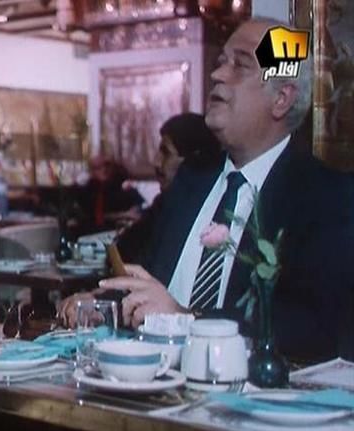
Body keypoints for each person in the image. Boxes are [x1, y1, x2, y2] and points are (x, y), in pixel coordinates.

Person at [63, 18, 354, 362]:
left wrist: (189, 321)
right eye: (221, 62)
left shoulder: (325, 196)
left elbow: (312, 328)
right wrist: (101, 304)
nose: (217, 74)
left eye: (240, 65)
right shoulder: (191, 179)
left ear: (281, 99)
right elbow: (145, 279)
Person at [116, 112, 221, 263]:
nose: (156, 162)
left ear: (193, 160)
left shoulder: (199, 216)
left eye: (166, 153)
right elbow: (123, 251)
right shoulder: (163, 204)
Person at [76, 156, 144, 235]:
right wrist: (123, 215)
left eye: (106, 166)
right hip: (93, 231)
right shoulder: (87, 190)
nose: (104, 170)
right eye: (97, 168)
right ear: (91, 171)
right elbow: (92, 216)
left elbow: (136, 213)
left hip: (120, 232)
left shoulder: (125, 189)